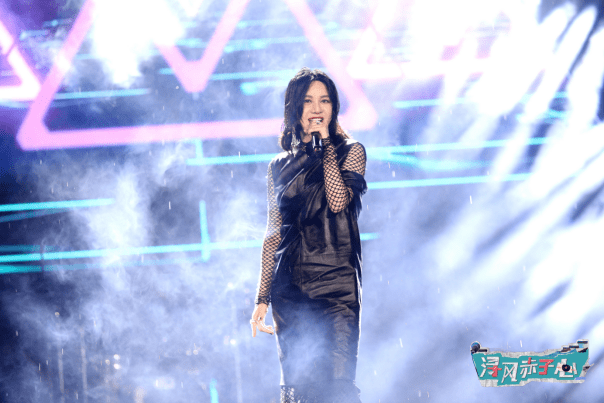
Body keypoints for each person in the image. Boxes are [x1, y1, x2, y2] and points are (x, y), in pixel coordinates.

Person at [250, 67, 367, 403]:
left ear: (334, 108)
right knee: (300, 389)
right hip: (290, 290)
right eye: (308, 101)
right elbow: (273, 232)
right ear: (294, 109)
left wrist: (326, 145)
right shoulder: (277, 166)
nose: (317, 109)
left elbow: (337, 202)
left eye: (325, 101)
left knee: (338, 387)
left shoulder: (351, 151)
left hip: (336, 287)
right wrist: (262, 298)